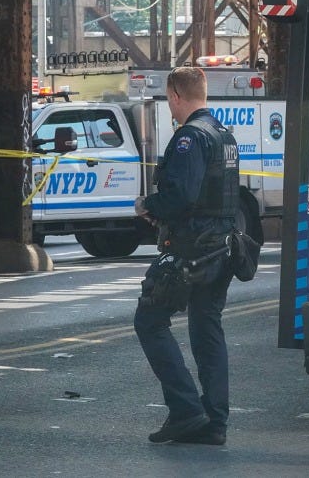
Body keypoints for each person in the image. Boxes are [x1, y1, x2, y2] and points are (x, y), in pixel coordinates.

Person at [133, 66, 238, 446]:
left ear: (176, 95)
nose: (169, 106)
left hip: (192, 247)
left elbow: (182, 197)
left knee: (150, 320)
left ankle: (186, 410)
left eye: (168, 98)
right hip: (222, 247)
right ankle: (214, 421)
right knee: (207, 327)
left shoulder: (189, 138)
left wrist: (148, 205)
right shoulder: (224, 135)